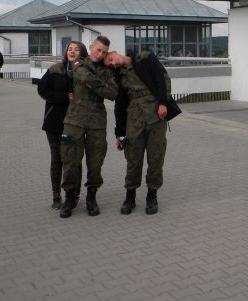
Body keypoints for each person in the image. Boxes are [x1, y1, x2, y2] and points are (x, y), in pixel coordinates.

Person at [104, 49, 172, 215]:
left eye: (112, 59)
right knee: (133, 158)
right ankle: (130, 197)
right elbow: (119, 106)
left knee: (156, 157)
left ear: (115, 52)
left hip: (156, 115)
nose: (114, 63)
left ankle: (152, 196)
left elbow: (162, 79)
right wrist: (119, 134)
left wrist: (163, 103)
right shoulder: (119, 76)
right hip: (134, 120)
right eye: (110, 64)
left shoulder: (145, 58)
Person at [58, 36, 118, 218]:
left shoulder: (105, 69)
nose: (100, 54)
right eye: (98, 50)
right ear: (91, 47)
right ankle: (69, 198)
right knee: (70, 162)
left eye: (104, 52)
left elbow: (113, 93)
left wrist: (92, 81)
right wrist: (99, 84)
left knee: (95, 162)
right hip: (74, 120)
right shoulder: (77, 64)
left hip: (97, 122)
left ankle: (91, 197)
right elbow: (82, 77)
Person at [37, 41, 87, 210]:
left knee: (74, 160)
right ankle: (56, 195)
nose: (72, 51)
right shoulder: (55, 69)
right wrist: (64, 97)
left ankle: (74, 194)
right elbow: (42, 90)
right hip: (54, 122)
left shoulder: (85, 72)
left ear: (82, 53)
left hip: (76, 123)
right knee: (57, 160)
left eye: (76, 49)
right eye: (69, 49)